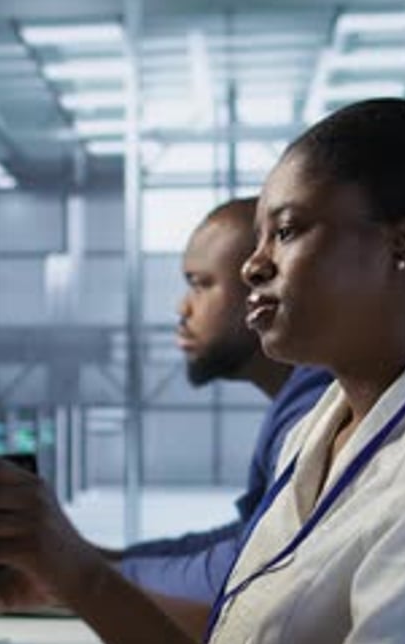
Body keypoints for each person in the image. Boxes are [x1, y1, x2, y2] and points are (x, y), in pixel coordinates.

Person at [0, 98, 405, 644]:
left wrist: (83, 571)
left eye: (286, 231)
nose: (253, 266)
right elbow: (249, 623)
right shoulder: (324, 424)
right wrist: (56, 582)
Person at [111, 197, 331, 602]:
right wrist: (107, 561)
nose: (182, 308)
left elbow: (247, 572)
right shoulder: (302, 396)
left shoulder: (320, 408)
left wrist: (83, 577)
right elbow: (249, 535)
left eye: (202, 283)